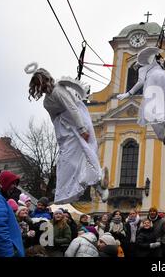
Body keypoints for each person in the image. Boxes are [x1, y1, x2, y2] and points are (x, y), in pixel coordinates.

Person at [26, 64, 108, 203]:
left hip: (77, 122)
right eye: (39, 85)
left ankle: (99, 184)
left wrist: (82, 129)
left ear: (47, 79)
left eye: (43, 83)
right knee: (68, 161)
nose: (43, 87)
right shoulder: (46, 102)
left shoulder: (58, 90)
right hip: (65, 130)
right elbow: (54, 120)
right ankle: (76, 188)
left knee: (86, 151)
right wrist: (60, 139)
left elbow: (72, 108)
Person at [117, 47, 165, 145]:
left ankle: (163, 130)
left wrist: (128, 93)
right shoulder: (156, 63)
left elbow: (140, 82)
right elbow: (164, 65)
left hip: (152, 81)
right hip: (164, 78)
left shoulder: (142, 68)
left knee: (149, 111)